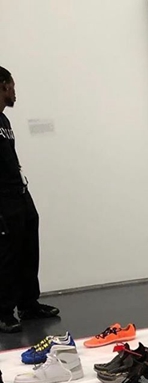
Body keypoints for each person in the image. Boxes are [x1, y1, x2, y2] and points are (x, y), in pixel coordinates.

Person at [0, 66, 59, 333]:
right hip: (3, 199)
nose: (15, 93)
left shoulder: (4, 121)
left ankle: (28, 304)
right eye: (12, 86)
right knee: (7, 256)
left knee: (28, 250)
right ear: (3, 85)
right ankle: (4, 313)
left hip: (20, 194)